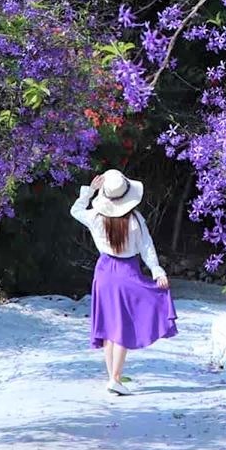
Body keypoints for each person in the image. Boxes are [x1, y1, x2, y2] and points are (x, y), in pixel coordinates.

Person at [70, 169, 178, 395]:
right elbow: (147, 248)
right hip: (127, 272)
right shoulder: (136, 220)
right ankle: (115, 378)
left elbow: (75, 210)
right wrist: (157, 271)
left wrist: (89, 192)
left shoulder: (95, 217)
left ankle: (113, 377)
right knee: (123, 326)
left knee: (110, 327)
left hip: (104, 272)